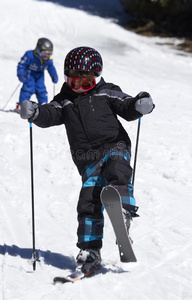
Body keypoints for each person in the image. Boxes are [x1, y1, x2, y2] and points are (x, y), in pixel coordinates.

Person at [20, 46, 154, 274]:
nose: (78, 86)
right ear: (66, 78)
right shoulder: (64, 101)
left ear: (96, 77)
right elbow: (48, 114)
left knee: (116, 168)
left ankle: (122, 206)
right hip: (87, 159)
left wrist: (140, 104)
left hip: (114, 145)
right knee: (88, 202)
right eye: (73, 81)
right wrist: (34, 113)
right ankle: (90, 251)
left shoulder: (107, 92)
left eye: (85, 82)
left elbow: (127, 106)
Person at [16, 37, 58, 111]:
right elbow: (21, 65)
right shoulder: (29, 55)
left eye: (49, 54)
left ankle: (44, 106)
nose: (46, 57)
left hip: (40, 76)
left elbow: (51, 67)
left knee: (41, 90)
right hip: (29, 75)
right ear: (38, 50)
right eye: (45, 54)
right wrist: (21, 74)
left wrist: (54, 76)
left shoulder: (48, 60)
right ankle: (22, 106)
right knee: (27, 89)